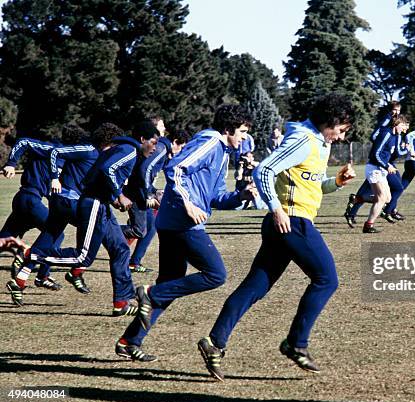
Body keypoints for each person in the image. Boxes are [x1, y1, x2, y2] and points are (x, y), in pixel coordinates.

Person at [198, 93, 356, 381]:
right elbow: (264, 170)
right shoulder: (303, 140)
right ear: (330, 121)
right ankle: (296, 343)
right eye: (342, 129)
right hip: (291, 222)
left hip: (287, 222)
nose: (342, 137)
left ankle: (215, 342)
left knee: (254, 287)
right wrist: (276, 209)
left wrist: (337, 182)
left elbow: (311, 185)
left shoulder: (316, 142)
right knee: (327, 279)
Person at [115, 104, 257, 362]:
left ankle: (129, 341)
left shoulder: (223, 152)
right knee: (216, 275)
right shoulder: (211, 142)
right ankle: (149, 295)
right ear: (228, 129)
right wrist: (188, 203)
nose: (245, 137)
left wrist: (240, 196)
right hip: (182, 223)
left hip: (173, 222)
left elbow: (216, 197)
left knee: (170, 284)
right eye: (243, 131)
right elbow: (176, 168)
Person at [16, 121, 159, 316]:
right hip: (92, 204)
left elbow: (99, 175)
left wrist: (114, 197)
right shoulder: (130, 149)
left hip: (101, 204)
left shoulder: (121, 148)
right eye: (153, 142)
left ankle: (122, 302)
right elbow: (107, 170)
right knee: (83, 256)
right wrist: (119, 195)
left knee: (121, 248)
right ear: (142, 139)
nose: (155, 147)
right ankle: (31, 255)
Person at [6, 123, 105, 305]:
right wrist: (12, 164)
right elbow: (24, 142)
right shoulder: (58, 149)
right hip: (41, 199)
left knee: (45, 236)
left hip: (46, 200)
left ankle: (21, 279)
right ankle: (52, 272)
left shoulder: (73, 156)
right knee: (76, 234)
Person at [124, 128, 190, 273]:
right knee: (140, 230)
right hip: (136, 193)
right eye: (182, 147)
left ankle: (134, 262)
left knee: (150, 227)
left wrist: (154, 191)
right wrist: (148, 194)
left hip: (140, 191)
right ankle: (110, 233)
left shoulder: (163, 149)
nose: (181, 151)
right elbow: (144, 170)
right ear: (175, 142)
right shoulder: (162, 148)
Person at [1, 133, 63, 286]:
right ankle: (41, 274)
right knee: (56, 234)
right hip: (30, 200)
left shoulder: (58, 159)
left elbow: (50, 190)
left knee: (3, 240)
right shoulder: (54, 150)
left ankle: (40, 274)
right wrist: (11, 163)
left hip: (23, 198)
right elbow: (23, 141)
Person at [361, 114, 410, 233]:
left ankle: (358, 198)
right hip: (374, 168)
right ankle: (368, 225)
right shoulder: (386, 133)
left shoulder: (395, 136)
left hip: (380, 169)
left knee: (387, 199)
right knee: (382, 198)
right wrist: (387, 165)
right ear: (397, 124)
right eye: (403, 125)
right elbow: (375, 154)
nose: (404, 128)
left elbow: (392, 153)